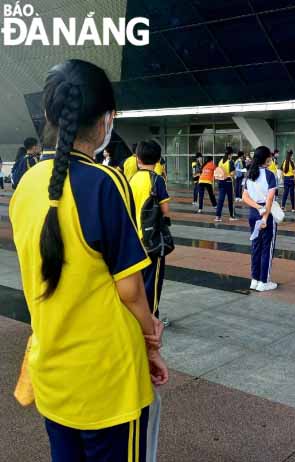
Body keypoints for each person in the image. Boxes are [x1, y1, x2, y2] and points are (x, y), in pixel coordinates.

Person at [9, 59, 167, 462]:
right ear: (105, 121)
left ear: (48, 115)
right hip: (108, 381)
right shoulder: (104, 183)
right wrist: (151, 339)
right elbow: (130, 290)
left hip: (54, 376)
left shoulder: (25, 186)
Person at [130, 140, 171, 321]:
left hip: (134, 239)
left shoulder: (130, 179)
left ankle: (136, 316)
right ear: (158, 159)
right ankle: (151, 319)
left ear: (137, 158)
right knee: (152, 282)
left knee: (137, 281)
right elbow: (165, 211)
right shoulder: (157, 180)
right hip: (152, 239)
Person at [242, 146, 279, 292]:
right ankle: (264, 281)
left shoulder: (250, 175)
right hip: (267, 213)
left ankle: (254, 279)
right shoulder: (270, 175)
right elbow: (270, 199)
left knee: (256, 246)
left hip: (253, 213)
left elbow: (245, 197)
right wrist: (264, 215)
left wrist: (257, 208)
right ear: (266, 158)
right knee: (267, 248)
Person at [214, 147, 237, 222]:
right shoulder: (230, 161)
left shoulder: (220, 161)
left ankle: (218, 216)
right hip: (228, 182)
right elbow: (232, 173)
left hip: (221, 182)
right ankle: (232, 216)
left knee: (220, 200)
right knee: (231, 200)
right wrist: (234, 174)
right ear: (230, 154)